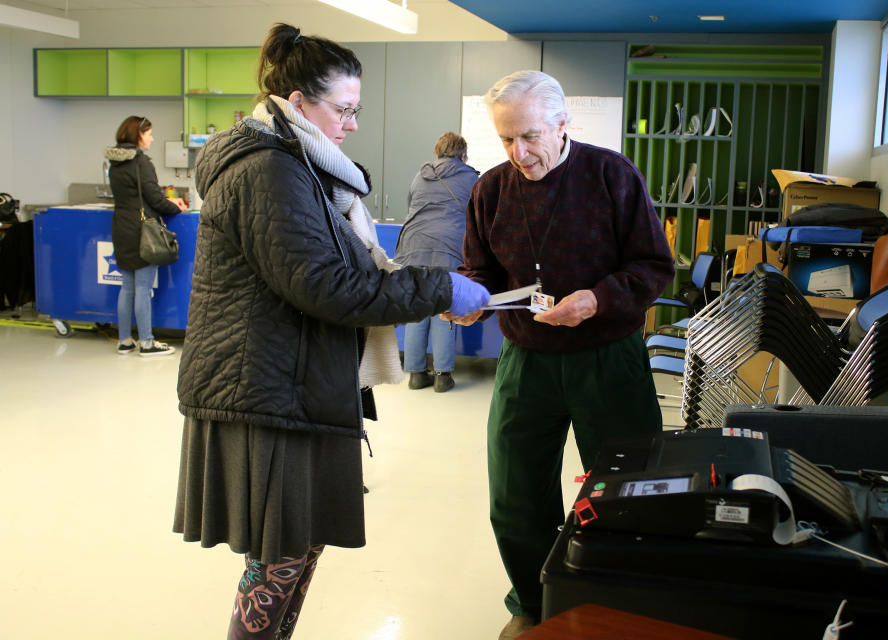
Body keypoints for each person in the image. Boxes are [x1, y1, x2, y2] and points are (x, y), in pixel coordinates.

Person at [172, 24, 489, 640]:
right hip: (267, 393)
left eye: (356, 110)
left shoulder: (298, 165)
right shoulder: (268, 169)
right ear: (296, 104)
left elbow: (339, 270)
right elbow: (328, 287)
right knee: (279, 561)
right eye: (342, 110)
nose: (350, 124)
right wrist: (441, 288)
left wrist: (423, 287)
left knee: (294, 554)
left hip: (287, 384)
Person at [445, 70, 676, 640]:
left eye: (529, 136)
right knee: (516, 494)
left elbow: (654, 267)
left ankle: (615, 607)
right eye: (505, 140)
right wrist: (472, 298)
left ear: (562, 124)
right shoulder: (491, 189)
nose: (518, 153)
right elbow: (481, 269)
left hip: (608, 357)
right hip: (527, 360)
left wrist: (597, 300)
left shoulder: (610, 174)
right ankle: (533, 602)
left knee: (626, 495)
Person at [395, 132, 479, 393]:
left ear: (438, 153)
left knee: (417, 310)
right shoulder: (472, 178)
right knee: (445, 309)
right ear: (463, 155)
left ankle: (416, 375)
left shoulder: (421, 175)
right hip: (449, 250)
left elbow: (410, 208)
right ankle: (443, 376)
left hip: (413, 248)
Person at [104, 115, 187, 356]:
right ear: (138, 135)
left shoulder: (115, 163)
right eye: (149, 133)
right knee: (142, 288)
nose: (152, 138)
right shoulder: (141, 162)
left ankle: (124, 340)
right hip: (142, 230)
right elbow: (154, 199)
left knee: (127, 287)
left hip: (121, 226)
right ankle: (147, 342)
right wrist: (177, 207)